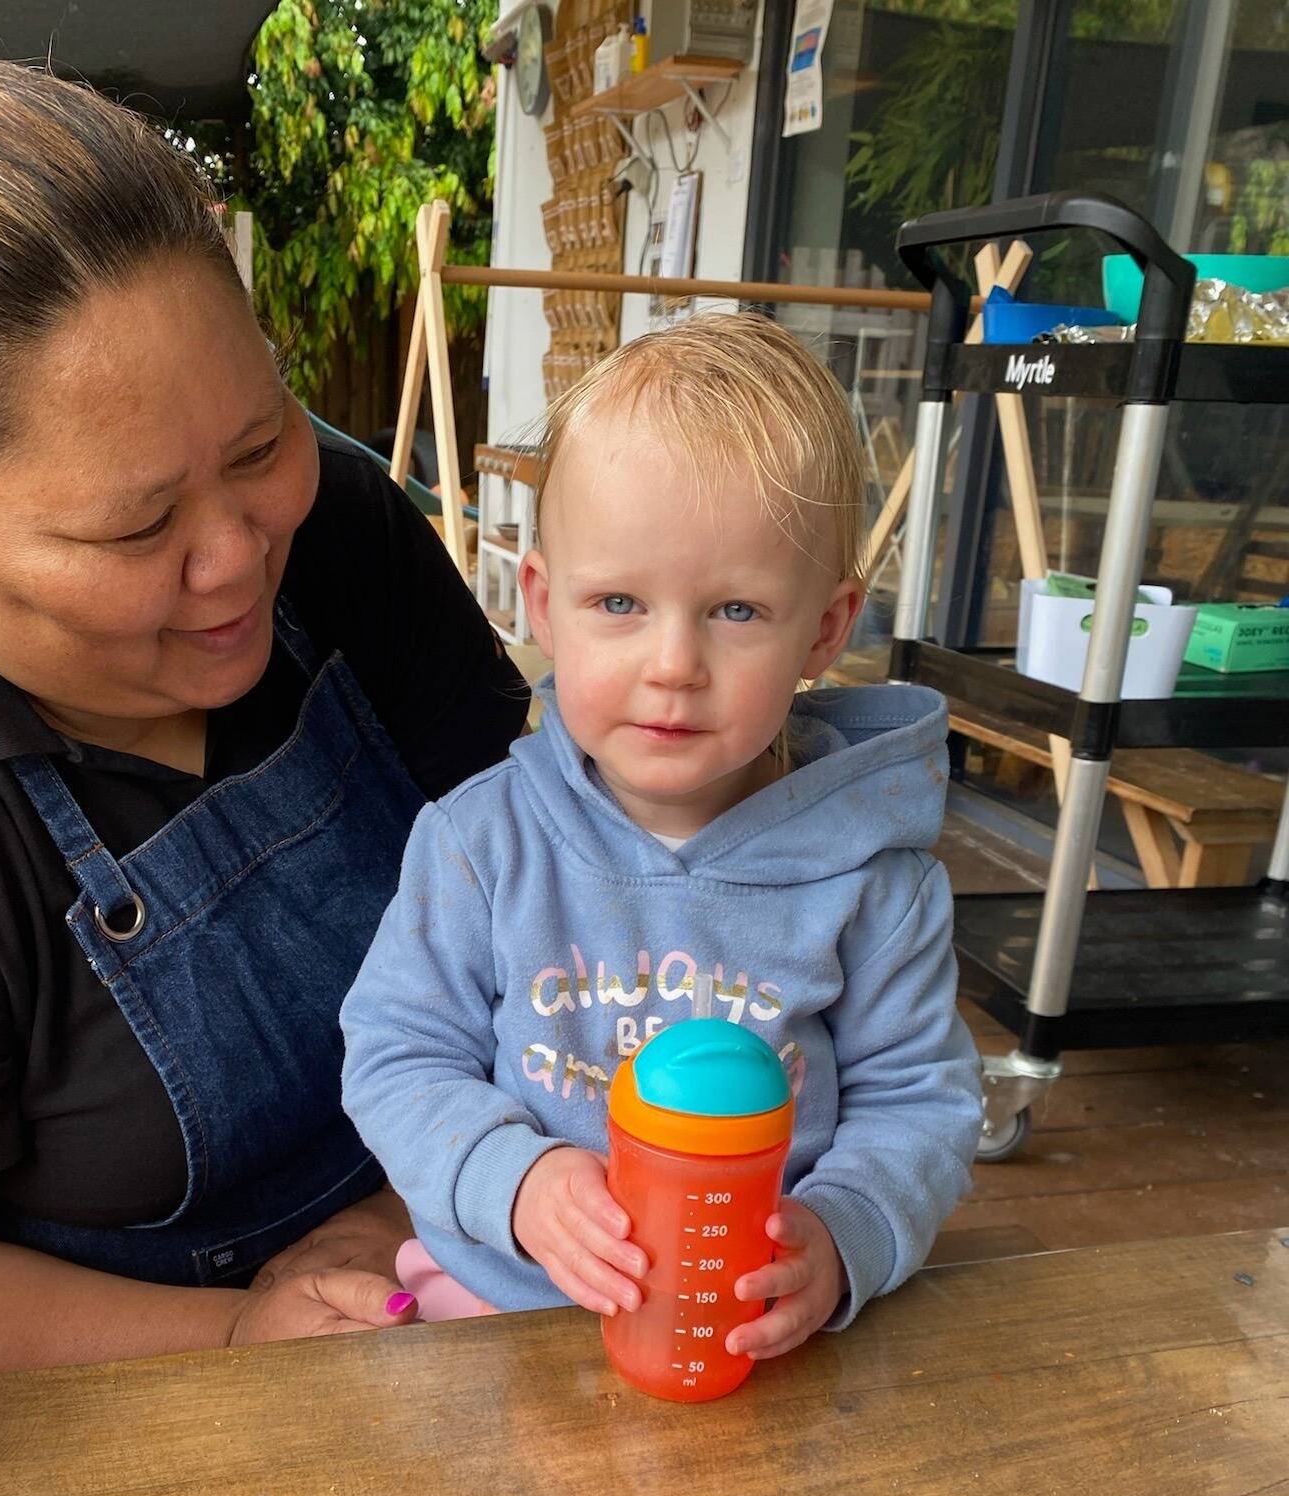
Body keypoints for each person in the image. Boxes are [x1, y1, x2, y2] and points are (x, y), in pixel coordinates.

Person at [0, 59, 529, 1385]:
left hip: (491, 1219)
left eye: (257, 444)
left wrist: (415, 1200)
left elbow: (561, 906)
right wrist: (240, 1330)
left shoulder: (336, 529)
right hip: (117, 1411)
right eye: (138, 525)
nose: (237, 556)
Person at [341, 312, 982, 1358]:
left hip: (760, 1332)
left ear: (825, 628)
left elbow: (918, 1102)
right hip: (502, 1312)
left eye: (735, 611)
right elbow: (397, 1056)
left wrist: (843, 1233)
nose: (673, 663)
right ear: (544, 605)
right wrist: (517, 1181)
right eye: (621, 602)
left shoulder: (876, 883)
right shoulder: (478, 846)